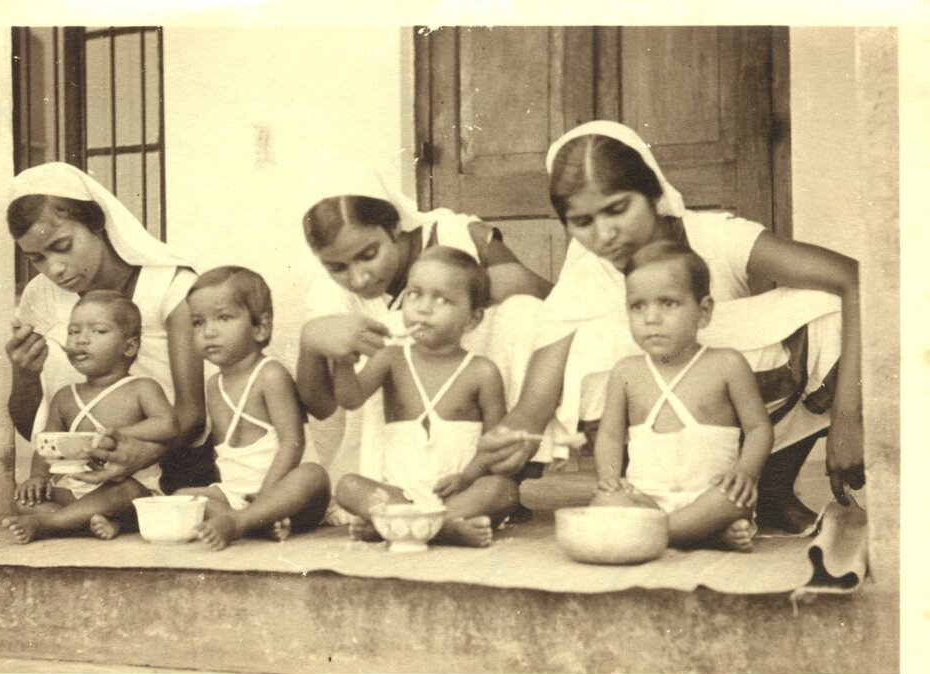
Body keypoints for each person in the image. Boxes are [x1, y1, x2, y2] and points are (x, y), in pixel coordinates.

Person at [478, 121, 862, 534]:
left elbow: (854, 279)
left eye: (617, 208)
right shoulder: (586, 277)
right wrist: (492, 452)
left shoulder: (715, 237)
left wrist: (847, 418)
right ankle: (645, 497)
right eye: (582, 221)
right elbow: (535, 403)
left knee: (830, 308)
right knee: (581, 339)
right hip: (654, 441)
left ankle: (772, 488)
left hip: (742, 403)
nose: (604, 234)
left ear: (654, 195)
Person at [295, 161, 551, 523]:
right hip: (391, 461)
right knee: (350, 486)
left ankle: (493, 482)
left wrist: (484, 288)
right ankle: (439, 520)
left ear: (394, 226)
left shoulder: (456, 235)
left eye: (369, 254)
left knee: (522, 308)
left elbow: (557, 307)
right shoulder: (331, 294)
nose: (359, 277)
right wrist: (316, 342)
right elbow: (324, 406)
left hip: (468, 445)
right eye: (338, 267)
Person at [4, 162, 212, 495]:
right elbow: (36, 429)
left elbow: (192, 414)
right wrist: (26, 376)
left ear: (97, 222)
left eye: (62, 246)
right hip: (85, 472)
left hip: (178, 458)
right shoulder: (40, 296)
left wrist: (141, 455)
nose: (54, 269)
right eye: (37, 258)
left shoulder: (170, 286)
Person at [330, 247, 518, 548]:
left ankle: (399, 527)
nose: (423, 308)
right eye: (414, 294)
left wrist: (467, 478)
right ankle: (444, 529)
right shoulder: (390, 358)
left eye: (441, 299)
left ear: (472, 319)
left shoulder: (482, 372)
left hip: (457, 495)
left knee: (502, 490)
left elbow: (494, 448)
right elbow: (350, 399)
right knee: (346, 486)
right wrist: (343, 358)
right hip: (399, 496)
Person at [591, 242, 772, 551]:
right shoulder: (626, 372)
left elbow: (758, 428)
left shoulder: (727, 364)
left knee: (731, 498)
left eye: (668, 303)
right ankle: (702, 535)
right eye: (638, 306)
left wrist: (745, 473)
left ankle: (656, 535)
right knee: (604, 500)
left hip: (710, 496)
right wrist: (610, 477)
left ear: (703, 312)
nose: (651, 318)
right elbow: (609, 435)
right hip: (646, 499)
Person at [174, 267, 330, 550]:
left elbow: (292, 444)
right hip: (237, 496)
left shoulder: (269, 374)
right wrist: (226, 496)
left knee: (312, 476)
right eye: (198, 322)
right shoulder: (213, 385)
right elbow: (226, 458)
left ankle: (243, 521)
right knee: (182, 496)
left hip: (282, 492)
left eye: (223, 318)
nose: (209, 332)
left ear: (260, 327)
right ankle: (252, 521)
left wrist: (266, 496)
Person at [3, 291, 179, 543]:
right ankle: (92, 522)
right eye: (74, 331)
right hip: (77, 487)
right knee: (24, 501)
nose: (81, 340)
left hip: (126, 486)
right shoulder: (65, 396)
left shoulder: (142, 387)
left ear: (129, 347)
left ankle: (48, 523)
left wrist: (116, 435)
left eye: (98, 331)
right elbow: (47, 444)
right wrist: (38, 478)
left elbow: (168, 425)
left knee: (125, 492)